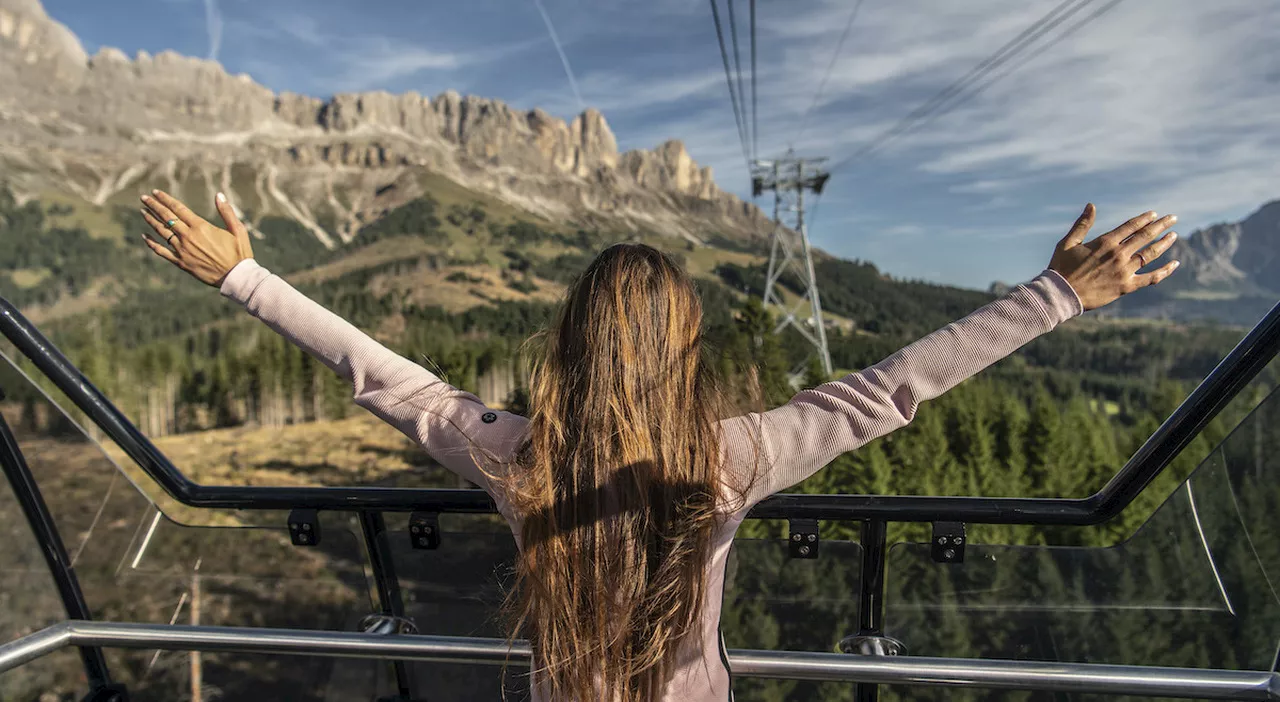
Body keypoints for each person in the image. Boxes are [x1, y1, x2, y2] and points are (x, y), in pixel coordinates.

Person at [138, 190, 1178, 702]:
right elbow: (885, 391)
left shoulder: (515, 454)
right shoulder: (732, 458)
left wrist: (244, 276)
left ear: (571, 347)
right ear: (686, 348)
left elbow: (384, 379)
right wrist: (1055, 295)